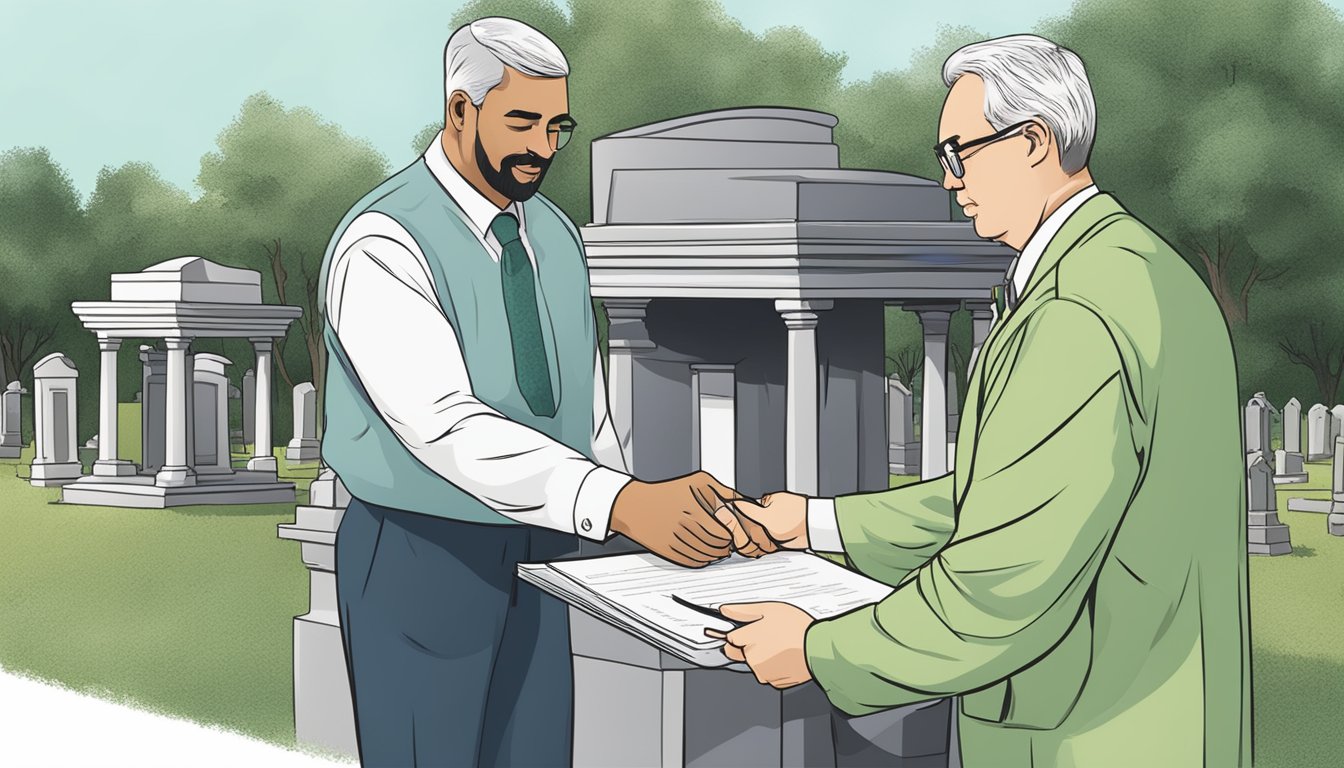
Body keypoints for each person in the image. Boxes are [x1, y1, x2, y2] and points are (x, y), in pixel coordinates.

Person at [717, 34, 1252, 767]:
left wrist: (817, 649)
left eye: (959, 152)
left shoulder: (1074, 311)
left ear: (1035, 141)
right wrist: (812, 522)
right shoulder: (1147, 272)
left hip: (1080, 735)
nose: (948, 181)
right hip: (1165, 712)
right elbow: (1008, 493)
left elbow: (1000, 582)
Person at [317, 17, 755, 766]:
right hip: (422, 559)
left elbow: (585, 409)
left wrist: (649, 516)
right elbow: (445, 426)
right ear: (459, 111)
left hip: (543, 553)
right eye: (523, 122)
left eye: (559, 126)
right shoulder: (383, 242)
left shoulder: (553, 234)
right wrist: (620, 503)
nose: (545, 148)